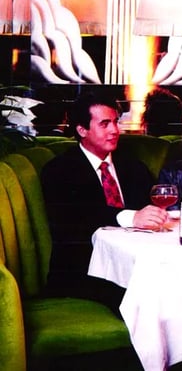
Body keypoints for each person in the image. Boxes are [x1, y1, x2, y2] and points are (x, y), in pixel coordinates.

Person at [41, 92, 167, 309]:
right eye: (104, 124)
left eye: (116, 122)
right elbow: (76, 218)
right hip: (83, 271)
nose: (115, 130)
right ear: (82, 130)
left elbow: (154, 204)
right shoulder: (58, 171)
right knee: (148, 294)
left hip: (136, 263)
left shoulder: (133, 166)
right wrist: (131, 217)